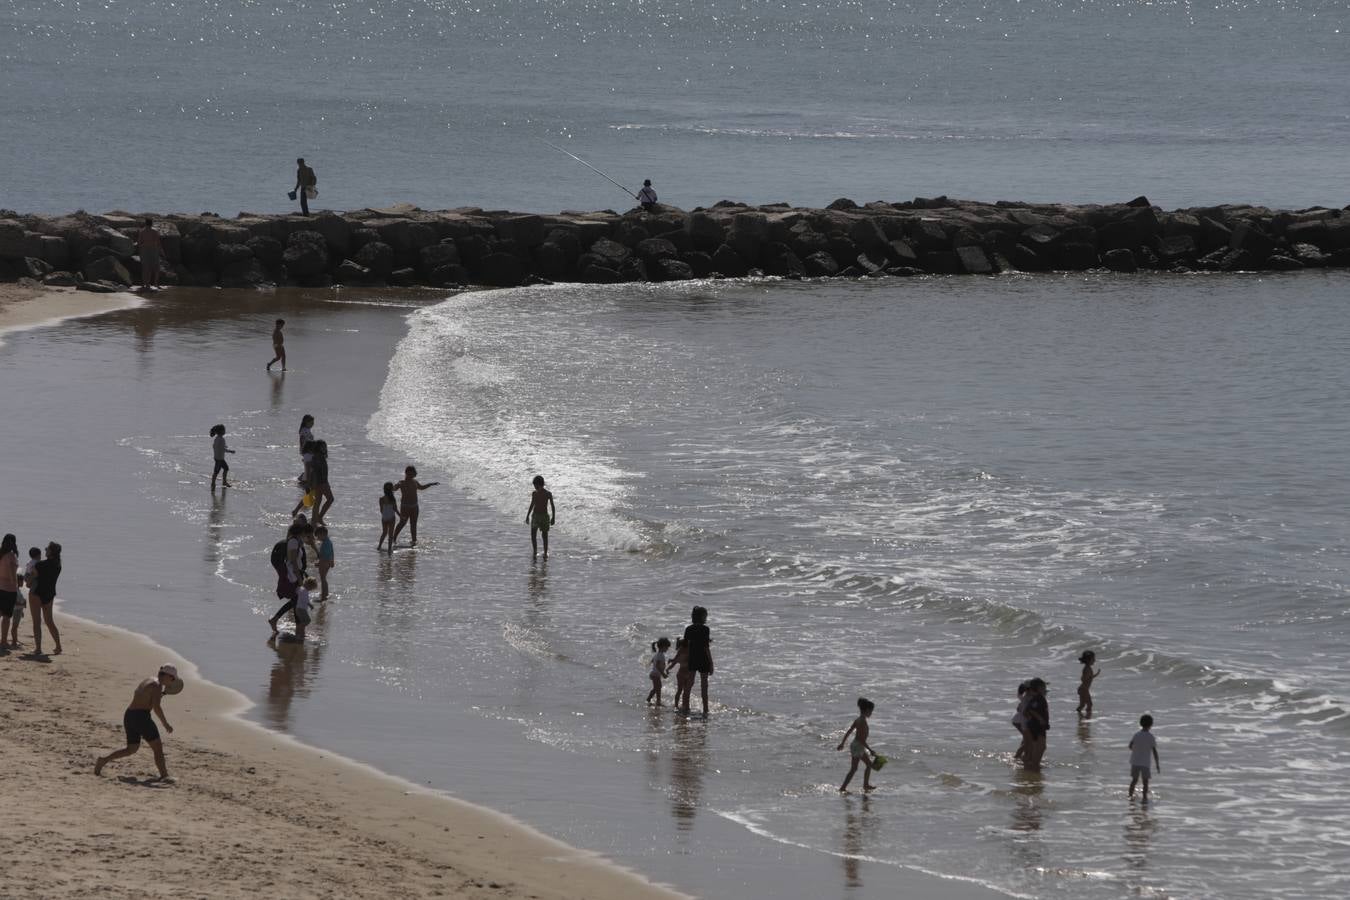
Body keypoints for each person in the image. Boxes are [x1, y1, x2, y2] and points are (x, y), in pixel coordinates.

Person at [94, 665, 183, 780]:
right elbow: (156, 708)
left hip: (129, 715)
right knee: (157, 748)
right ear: (167, 676)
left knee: (131, 749)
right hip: (141, 717)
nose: (172, 681)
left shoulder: (149, 680)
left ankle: (103, 760)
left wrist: (158, 696)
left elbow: (142, 697)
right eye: (172, 679)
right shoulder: (157, 686)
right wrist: (166, 724)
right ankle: (164, 776)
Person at [28, 542, 62, 656]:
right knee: (49, 621)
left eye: (47, 548)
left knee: (36, 622)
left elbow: (29, 582)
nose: (45, 549)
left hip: (36, 593)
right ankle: (58, 646)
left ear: (51, 552)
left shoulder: (39, 565)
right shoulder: (58, 566)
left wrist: (27, 577)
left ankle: (38, 648)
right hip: (49, 594)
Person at [392, 466, 439, 547]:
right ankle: (394, 538)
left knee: (413, 524)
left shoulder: (415, 482)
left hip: (415, 506)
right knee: (402, 523)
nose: (415, 474)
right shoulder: (401, 483)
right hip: (405, 506)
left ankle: (414, 541)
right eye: (413, 473)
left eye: (414, 473)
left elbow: (421, 487)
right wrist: (394, 486)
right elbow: (394, 489)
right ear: (407, 473)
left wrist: (430, 484)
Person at [837, 697, 877, 792]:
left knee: (857, 768)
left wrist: (842, 743)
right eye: (871, 711)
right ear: (867, 710)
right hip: (858, 746)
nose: (871, 713)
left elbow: (849, 732)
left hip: (855, 745)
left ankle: (845, 787)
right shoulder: (862, 722)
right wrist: (870, 750)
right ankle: (864, 785)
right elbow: (861, 739)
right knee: (865, 766)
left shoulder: (858, 719)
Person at [680, 605, 713, 717]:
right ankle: (705, 709)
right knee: (704, 685)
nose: (706, 617)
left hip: (693, 658)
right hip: (703, 659)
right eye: (705, 616)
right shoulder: (705, 629)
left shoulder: (688, 629)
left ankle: (685, 706)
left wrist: (682, 660)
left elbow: (685, 647)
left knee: (689, 683)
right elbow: (706, 647)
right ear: (702, 617)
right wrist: (711, 663)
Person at [1128, 714, 1161, 800]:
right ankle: (1144, 798)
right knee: (1145, 782)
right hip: (1145, 763)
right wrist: (1157, 764)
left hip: (1135, 761)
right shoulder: (1151, 737)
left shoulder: (1137, 734)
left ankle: (1130, 796)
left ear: (1140, 723)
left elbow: (1130, 746)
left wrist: (1136, 751)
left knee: (1134, 780)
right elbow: (1154, 751)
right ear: (1151, 725)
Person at [1022, 678, 1049, 770]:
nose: (1045, 689)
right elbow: (1031, 710)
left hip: (1033, 725)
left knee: (1035, 746)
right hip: (1038, 726)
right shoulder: (1039, 698)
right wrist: (1040, 719)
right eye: (1044, 687)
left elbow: (1026, 711)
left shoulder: (1034, 698)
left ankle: (1031, 764)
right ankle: (1034, 765)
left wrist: (1030, 719)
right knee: (1041, 747)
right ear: (1039, 688)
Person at [525, 475, 555, 558]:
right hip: (535, 516)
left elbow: (552, 506)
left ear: (541, 484)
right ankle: (535, 551)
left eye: (536, 486)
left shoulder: (548, 494)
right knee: (533, 534)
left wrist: (553, 517)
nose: (535, 487)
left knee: (544, 535)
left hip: (544, 516)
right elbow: (532, 504)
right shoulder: (534, 493)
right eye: (534, 486)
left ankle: (545, 552)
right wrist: (527, 516)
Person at [0, 534, 19, 651]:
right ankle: (3, 641)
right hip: (9, 589)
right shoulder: (11, 556)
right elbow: (13, 576)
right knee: (6, 616)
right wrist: (16, 585)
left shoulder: (0, 554)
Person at [309, 440, 334, 525]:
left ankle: (314, 520)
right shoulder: (319, 457)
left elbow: (312, 470)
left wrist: (312, 483)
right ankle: (319, 517)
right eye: (322, 447)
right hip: (322, 482)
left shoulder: (316, 457)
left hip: (319, 482)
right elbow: (315, 471)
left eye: (324, 446)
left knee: (318, 502)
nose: (324, 448)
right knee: (330, 499)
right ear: (318, 448)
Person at [287, 577, 317, 641]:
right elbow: (305, 600)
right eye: (311, 588)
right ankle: (299, 630)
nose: (310, 590)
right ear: (309, 585)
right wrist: (310, 605)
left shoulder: (301, 589)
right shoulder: (304, 591)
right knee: (307, 621)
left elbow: (296, 591)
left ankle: (301, 633)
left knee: (303, 621)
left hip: (299, 608)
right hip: (301, 609)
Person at [136, 218, 163, 290]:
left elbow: (139, 243)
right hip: (153, 250)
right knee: (156, 268)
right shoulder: (154, 231)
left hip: (144, 250)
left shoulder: (142, 232)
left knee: (145, 268)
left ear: (145, 223)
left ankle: (145, 284)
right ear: (152, 224)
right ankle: (155, 283)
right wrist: (162, 251)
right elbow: (158, 243)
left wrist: (140, 251)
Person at [646, 637, 671, 706]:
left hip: (654, 674)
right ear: (663, 647)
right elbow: (657, 665)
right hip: (655, 674)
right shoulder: (660, 655)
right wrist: (663, 674)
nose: (667, 649)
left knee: (656, 688)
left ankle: (649, 699)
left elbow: (653, 661)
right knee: (658, 688)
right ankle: (658, 702)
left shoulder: (658, 654)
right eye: (667, 647)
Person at [209, 424, 235, 489]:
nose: (225, 431)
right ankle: (213, 483)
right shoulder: (222, 439)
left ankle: (224, 482)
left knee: (226, 468)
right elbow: (223, 449)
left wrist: (223, 447)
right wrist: (230, 451)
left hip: (217, 457)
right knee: (216, 471)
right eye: (224, 430)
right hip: (219, 459)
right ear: (221, 431)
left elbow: (215, 446)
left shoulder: (217, 438)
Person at [1076, 650, 1100, 717]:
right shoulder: (1087, 669)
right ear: (1089, 660)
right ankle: (1087, 720)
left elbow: (1089, 677)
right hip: (1084, 689)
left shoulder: (1088, 668)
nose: (1094, 660)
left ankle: (1080, 719)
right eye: (1093, 659)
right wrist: (1087, 678)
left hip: (1083, 689)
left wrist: (1096, 674)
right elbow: (1083, 679)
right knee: (1089, 704)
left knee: (1082, 705)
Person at [668, 637, 691, 710]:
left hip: (681, 673)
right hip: (687, 673)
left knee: (680, 690)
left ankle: (676, 705)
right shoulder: (689, 651)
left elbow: (674, 661)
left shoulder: (681, 652)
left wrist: (669, 668)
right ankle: (684, 705)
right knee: (685, 691)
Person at [1012, 680, 1031, 761]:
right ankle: (1017, 757)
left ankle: (1023, 756)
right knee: (1028, 740)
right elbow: (1023, 711)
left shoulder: (1024, 697)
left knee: (1026, 739)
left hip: (1018, 720)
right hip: (1020, 721)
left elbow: (1019, 708)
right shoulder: (1027, 698)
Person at [315, 525, 334, 601]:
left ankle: (323, 596)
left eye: (318, 536)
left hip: (324, 562)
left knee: (323, 579)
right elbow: (332, 552)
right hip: (328, 562)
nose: (317, 538)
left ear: (322, 534)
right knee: (324, 579)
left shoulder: (325, 543)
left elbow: (323, 556)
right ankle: (325, 593)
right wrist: (332, 561)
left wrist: (319, 563)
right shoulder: (329, 541)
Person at [378, 481, 398, 550]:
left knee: (384, 532)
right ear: (392, 490)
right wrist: (400, 515)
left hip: (384, 517)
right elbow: (395, 509)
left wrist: (384, 515)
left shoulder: (381, 499)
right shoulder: (392, 499)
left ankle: (379, 546)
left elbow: (381, 510)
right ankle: (389, 548)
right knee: (390, 534)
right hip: (391, 517)